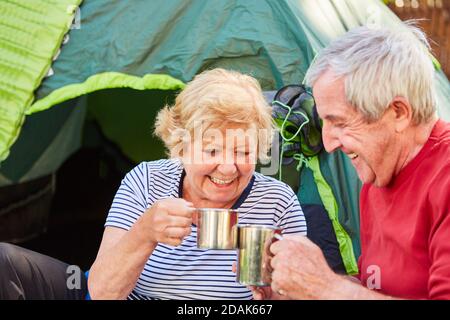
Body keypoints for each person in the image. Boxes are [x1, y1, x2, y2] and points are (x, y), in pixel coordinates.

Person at [0, 68, 307, 300]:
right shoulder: (147, 180)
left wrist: (273, 293)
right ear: (181, 148)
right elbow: (101, 292)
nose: (228, 167)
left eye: (243, 151)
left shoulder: (276, 203)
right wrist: (146, 233)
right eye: (212, 150)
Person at [254, 23, 450, 300]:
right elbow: (378, 288)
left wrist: (327, 287)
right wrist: (300, 290)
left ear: (398, 113)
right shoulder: (377, 173)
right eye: (324, 122)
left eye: (340, 123)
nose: (329, 143)